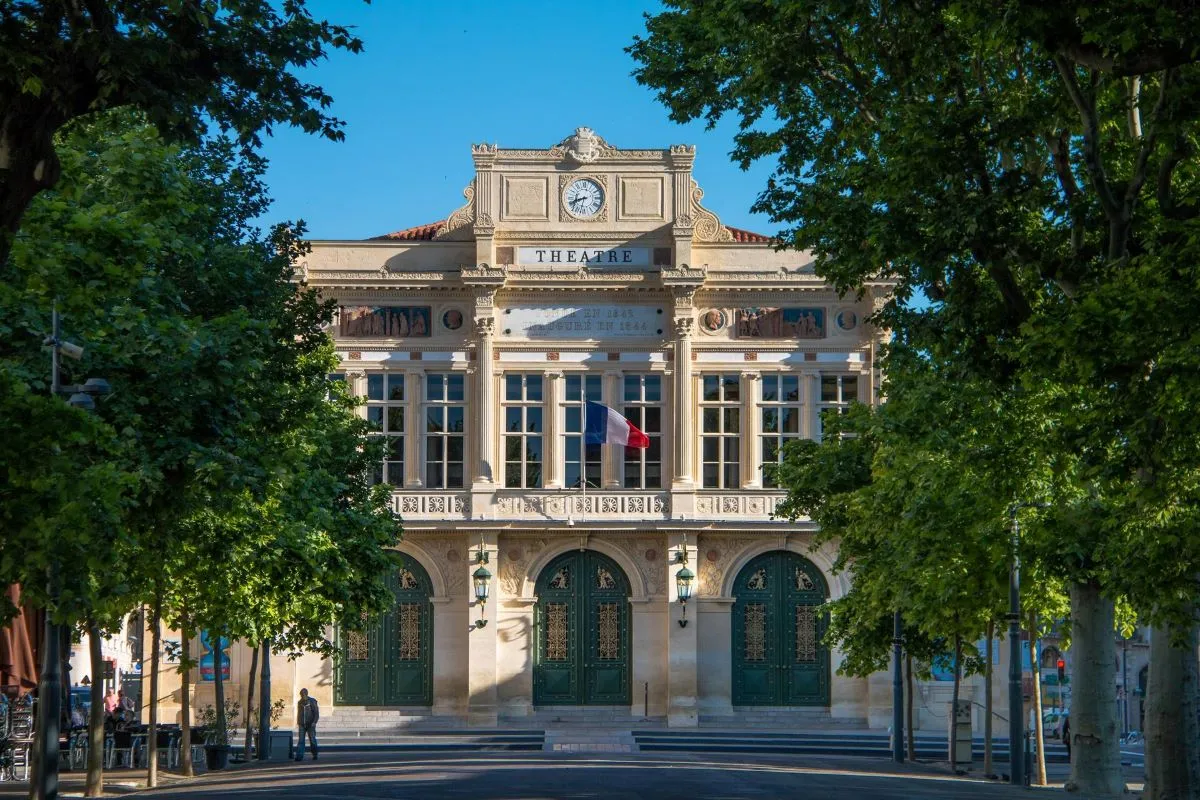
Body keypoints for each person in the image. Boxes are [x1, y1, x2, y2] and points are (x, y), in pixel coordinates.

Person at [295, 688, 319, 761]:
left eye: (304, 694)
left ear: (306, 694)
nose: (303, 696)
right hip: (302, 724)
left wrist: (314, 722)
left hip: (310, 724)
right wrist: (299, 722)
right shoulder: (300, 702)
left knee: (312, 740)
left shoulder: (312, 701)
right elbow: (299, 713)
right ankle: (299, 756)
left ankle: (315, 754)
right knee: (301, 740)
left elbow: (316, 713)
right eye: (301, 695)